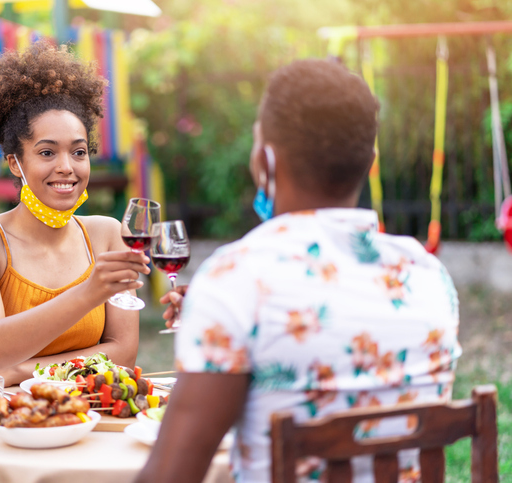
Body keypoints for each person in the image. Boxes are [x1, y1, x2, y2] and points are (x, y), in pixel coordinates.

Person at [137, 59, 461, 482]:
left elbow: (171, 474)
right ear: (370, 160)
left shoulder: (235, 278)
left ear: (266, 160)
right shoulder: (427, 274)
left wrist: (217, 307)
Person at [0, 41, 150, 405]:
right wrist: (89, 292)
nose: (67, 166)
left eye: (79, 152)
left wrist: (20, 371)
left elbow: (123, 353)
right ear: (16, 164)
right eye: (47, 152)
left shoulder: (108, 234)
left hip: (74, 408)